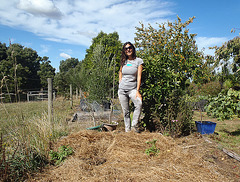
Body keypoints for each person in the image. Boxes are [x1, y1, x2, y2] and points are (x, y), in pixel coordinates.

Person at [118, 42, 143, 133]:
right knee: (126, 112)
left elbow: (139, 76)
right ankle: (127, 131)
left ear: (133, 48)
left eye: (129, 47)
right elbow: (120, 71)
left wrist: (138, 91)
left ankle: (134, 126)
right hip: (122, 90)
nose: (128, 50)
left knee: (139, 103)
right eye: (126, 48)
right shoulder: (124, 61)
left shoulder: (138, 61)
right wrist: (120, 81)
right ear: (124, 51)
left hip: (132, 89)